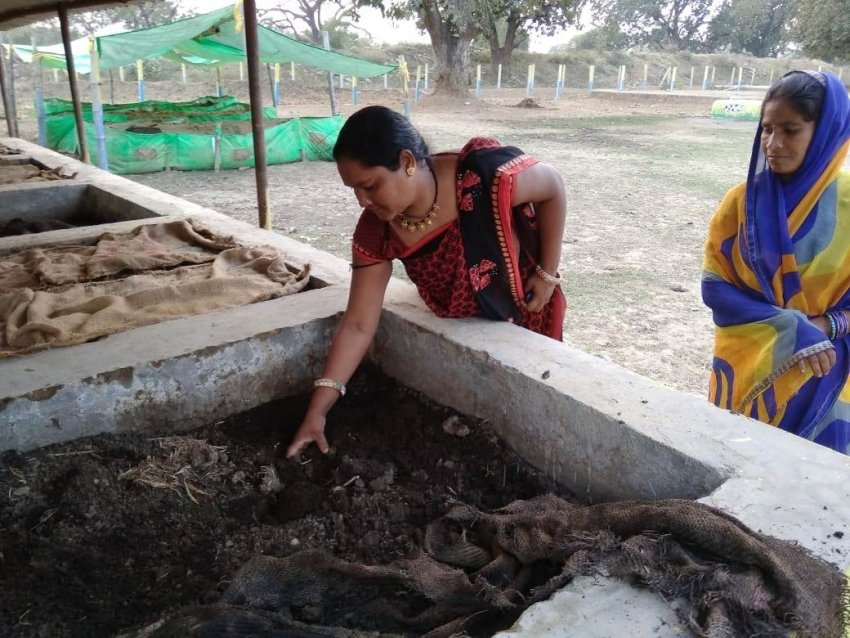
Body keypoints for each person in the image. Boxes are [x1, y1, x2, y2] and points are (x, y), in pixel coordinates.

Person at [286, 105, 567, 457]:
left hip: (528, 309)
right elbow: (358, 324)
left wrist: (546, 273)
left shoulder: (482, 178)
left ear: (406, 161)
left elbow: (553, 186)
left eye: (369, 186)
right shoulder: (378, 231)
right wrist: (318, 410)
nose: (362, 201)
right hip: (466, 328)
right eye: (354, 190)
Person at [702, 70, 850, 454]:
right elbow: (715, 286)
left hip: (828, 372)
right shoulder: (741, 203)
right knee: (738, 459)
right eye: (767, 129)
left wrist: (825, 326)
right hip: (750, 369)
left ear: (825, 131)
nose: (773, 143)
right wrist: (793, 328)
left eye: (790, 130)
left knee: (814, 475)